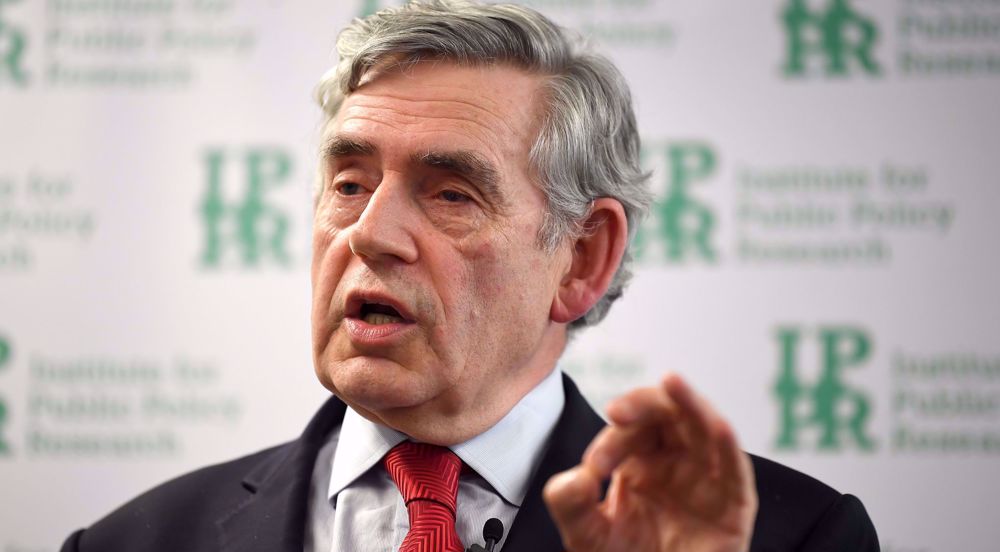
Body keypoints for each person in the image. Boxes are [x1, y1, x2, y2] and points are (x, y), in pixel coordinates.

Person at [61, 1, 879, 551]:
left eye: (450, 192)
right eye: (349, 184)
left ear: (581, 256)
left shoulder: (792, 537)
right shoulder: (134, 542)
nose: (370, 232)